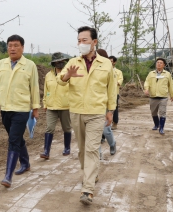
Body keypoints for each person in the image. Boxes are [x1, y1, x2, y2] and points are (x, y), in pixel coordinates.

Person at [57, 26, 116, 205]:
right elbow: (60, 81)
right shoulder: (73, 62)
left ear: (94, 42)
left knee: (91, 149)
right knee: (83, 150)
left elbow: (111, 89)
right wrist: (68, 75)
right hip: (76, 111)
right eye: (79, 41)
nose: (81, 44)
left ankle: (88, 189)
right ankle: (91, 174)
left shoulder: (105, 63)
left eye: (85, 40)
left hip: (96, 112)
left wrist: (110, 110)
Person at [0, 35, 40, 187]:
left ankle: (8, 176)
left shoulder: (30, 65)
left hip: (21, 109)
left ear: (22, 47)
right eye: (10, 45)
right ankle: (26, 163)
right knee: (15, 137)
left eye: (16, 45)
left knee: (13, 140)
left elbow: (34, 88)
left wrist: (35, 108)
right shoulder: (0, 64)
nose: (12, 48)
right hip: (5, 109)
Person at [40, 52, 72, 159]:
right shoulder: (49, 75)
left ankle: (67, 148)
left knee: (66, 128)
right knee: (49, 128)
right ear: (53, 63)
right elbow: (46, 90)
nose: (60, 63)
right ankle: (46, 151)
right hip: (51, 106)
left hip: (65, 106)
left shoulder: (68, 74)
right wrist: (45, 103)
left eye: (62, 61)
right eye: (58, 62)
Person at [144, 58, 173, 135]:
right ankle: (156, 124)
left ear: (164, 65)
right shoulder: (151, 73)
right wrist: (146, 89)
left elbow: (170, 85)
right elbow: (147, 82)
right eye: (157, 62)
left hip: (163, 97)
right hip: (153, 97)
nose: (159, 64)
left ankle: (161, 128)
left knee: (162, 112)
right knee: (153, 112)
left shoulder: (167, 74)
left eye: (161, 63)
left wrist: (172, 94)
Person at [96, 49, 117, 156]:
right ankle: (97, 153)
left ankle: (112, 144)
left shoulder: (109, 70)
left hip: (103, 104)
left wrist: (110, 110)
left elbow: (112, 91)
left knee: (106, 130)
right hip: (91, 105)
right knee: (94, 131)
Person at [109, 55, 123, 130]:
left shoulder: (118, 72)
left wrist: (113, 82)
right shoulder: (105, 70)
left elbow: (119, 81)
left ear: (114, 62)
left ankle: (115, 122)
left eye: (111, 61)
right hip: (105, 93)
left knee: (115, 108)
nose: (110, 62)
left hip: (114, 93)